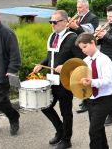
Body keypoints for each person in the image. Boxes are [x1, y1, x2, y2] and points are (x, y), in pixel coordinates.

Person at [32, 10, 80, 149]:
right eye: (50, 22)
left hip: (65, 81)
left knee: (66, 112)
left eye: (55, 22)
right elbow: (51, 56)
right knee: (45, 105)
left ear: (65, 22)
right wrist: (41, 64)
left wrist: (65, 66)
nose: (52, 25)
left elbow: (80, 60)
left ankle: (67, 140)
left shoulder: (73, 38)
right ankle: (60, 131)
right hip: (51, 80)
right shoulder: (53, 36)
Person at [76, 33, 112, 149]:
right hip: (91, 99)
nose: (83, 50)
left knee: (93, 131)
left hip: (104, 99)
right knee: (99, 129)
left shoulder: (104, 59)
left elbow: (108, 80)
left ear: (93, 43)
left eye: (85, 47)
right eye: (81, 48)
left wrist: (92, 82)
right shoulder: (85, 61)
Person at [68, 0, 99, 114]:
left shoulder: (93, 18)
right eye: (77, 7)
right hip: (77, 50)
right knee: (80, 76)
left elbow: (89, 36)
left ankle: (87, 102)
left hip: (86, 51)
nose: (78, 9)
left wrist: (76, 27)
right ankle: (84, 99)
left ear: (86, 7)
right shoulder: (78, 17)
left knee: (86, 76)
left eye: (80, 7)